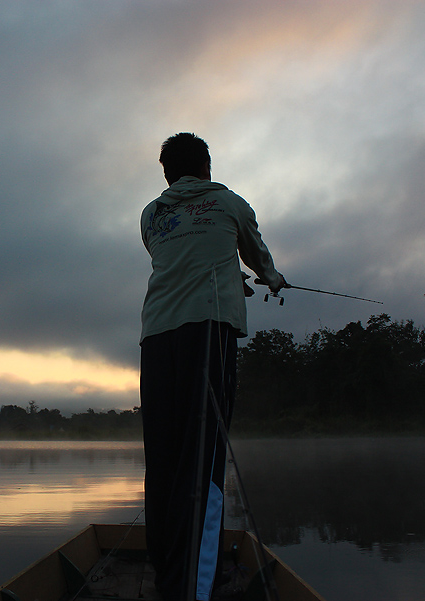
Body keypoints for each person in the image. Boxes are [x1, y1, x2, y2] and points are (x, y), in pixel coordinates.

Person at [139, 132, 285, 601]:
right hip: (207, 334)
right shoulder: (229, 203)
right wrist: (270, 279)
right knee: (204, 457)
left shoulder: (152, 215)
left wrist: (224, 273)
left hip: (156, 337)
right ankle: (196, 583)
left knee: (163, 457)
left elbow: (178, 258)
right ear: (206, 166)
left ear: (167, 173)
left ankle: (168, 572)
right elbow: (258, 257)